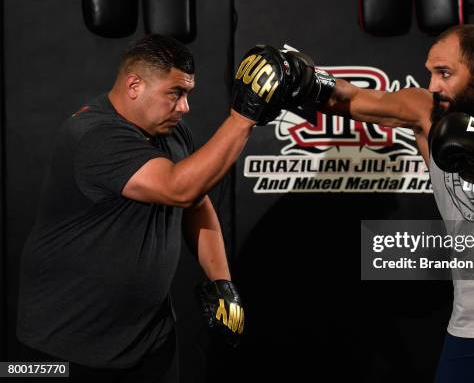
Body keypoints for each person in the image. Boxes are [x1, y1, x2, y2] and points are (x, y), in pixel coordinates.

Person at [282, 24, 474, 382]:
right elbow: (349, 99)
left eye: (445, 73)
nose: (433, 85)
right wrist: (300, 78)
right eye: (430, 73)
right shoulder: (427, 112)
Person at [16, 35, 289, 382]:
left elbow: (196, 201)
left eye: (187, 94)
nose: (184, 107)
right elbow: (178, 187)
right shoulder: (92, 136)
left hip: (149, 341)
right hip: (66, 345)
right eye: (175, 94)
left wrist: (221, 281)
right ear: (134, 85)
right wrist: (244, 117)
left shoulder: (172, 133)